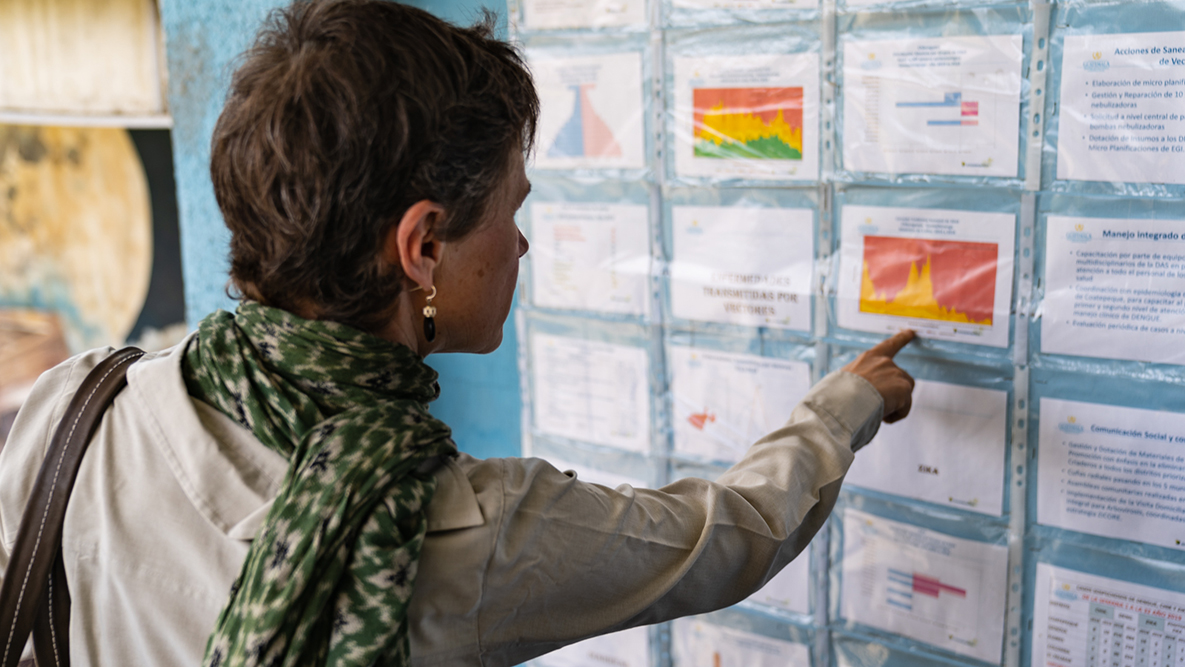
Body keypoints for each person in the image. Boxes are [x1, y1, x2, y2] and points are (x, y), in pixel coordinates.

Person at [0, 1, 916, 665]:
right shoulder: (454, 536)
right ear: (424, 245)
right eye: (510, 210)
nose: (520, 242)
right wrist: (847, 403)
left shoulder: (78, 402)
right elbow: (729, 536)